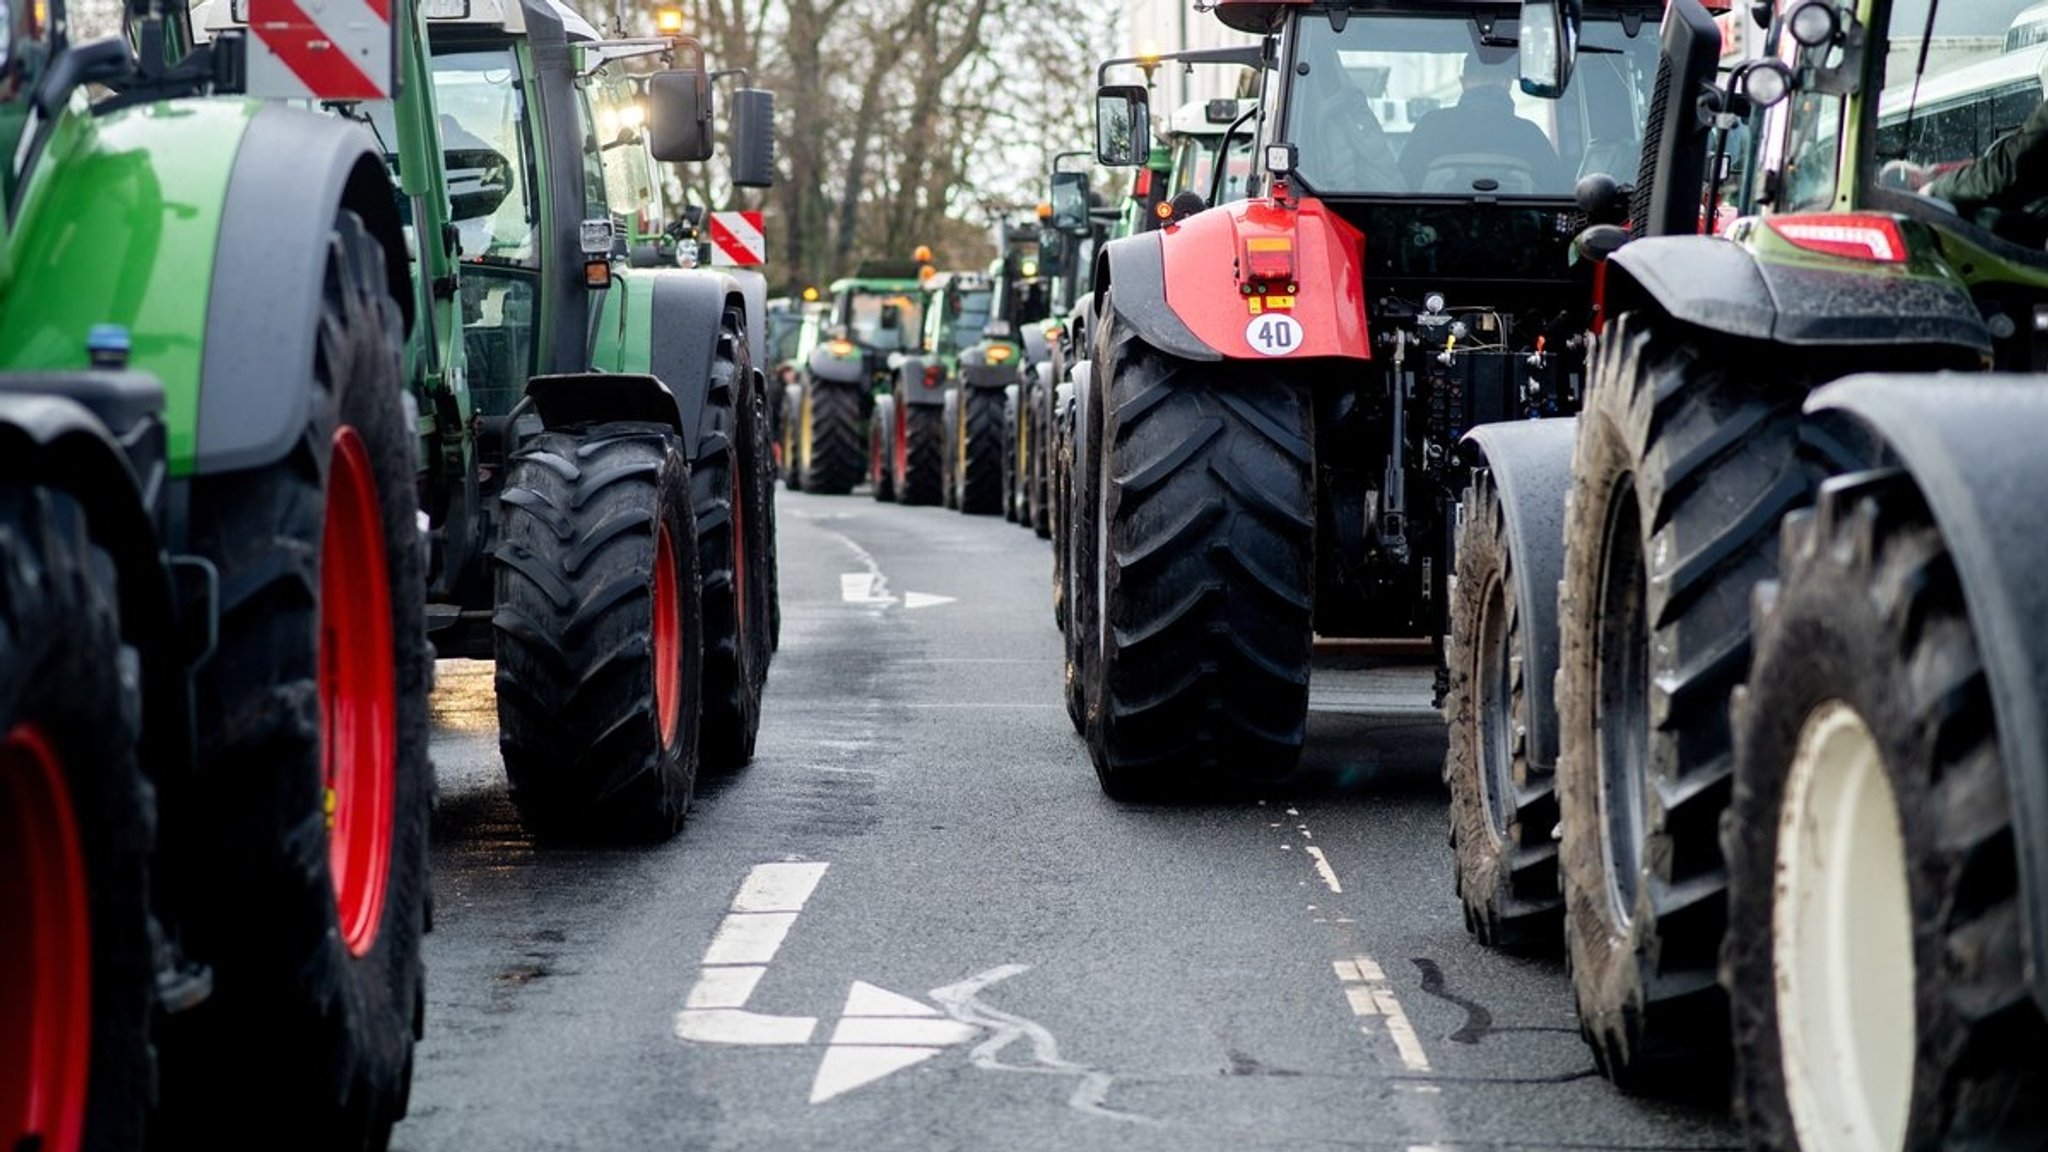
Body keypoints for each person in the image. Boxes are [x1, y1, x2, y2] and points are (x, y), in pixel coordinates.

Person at [1398, 49, 1564, 193]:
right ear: (1507, 83)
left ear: (1463, 83)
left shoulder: (1430, 127)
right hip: (1517, 228)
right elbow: (1556, 190)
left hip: (1439, 227)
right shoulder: (1529, 134)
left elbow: (1403, 186)